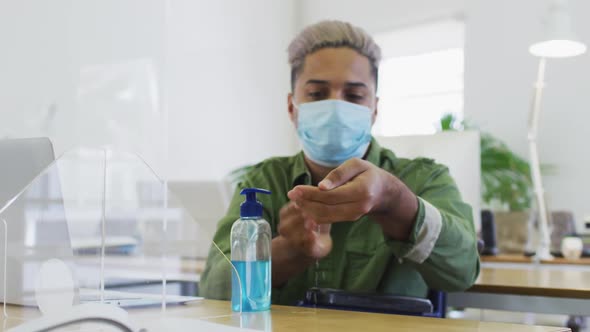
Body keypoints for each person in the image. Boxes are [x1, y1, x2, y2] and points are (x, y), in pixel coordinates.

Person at [200, 20, 480, 305]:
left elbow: (464, 271)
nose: (336, 106)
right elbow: (213, 291)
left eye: (354, 96)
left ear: (374, 110)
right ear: (291, 107)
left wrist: (395, 203)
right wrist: (290, 251)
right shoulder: (264, 182)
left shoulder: (424, 179)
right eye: (317, 94)